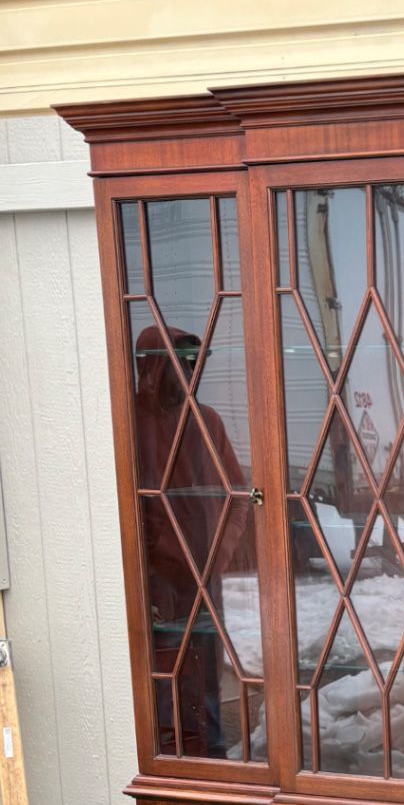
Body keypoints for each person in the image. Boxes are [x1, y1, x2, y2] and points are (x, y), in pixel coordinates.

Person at [132, 324, 249, 757]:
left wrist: (221, 553)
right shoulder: (132, 424)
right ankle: (174, 767)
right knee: (164, 679)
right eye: (178, 365)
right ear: (153, 368)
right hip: (160, 581)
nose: (187, 374)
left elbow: (239, 495)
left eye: (193, 365)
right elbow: (130, 510)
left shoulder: (208, 421)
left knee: (206, 682)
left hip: (205, 579)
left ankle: (213, 763)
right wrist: (158, 553)